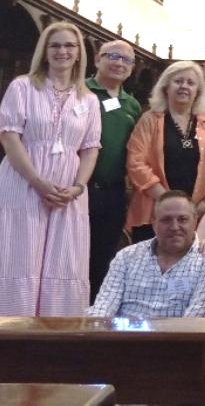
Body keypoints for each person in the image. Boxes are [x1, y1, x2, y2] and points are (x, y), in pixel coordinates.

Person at [0, 22, 100, 316]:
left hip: (68, 190)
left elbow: (91, 148)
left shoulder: (89, 99)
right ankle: (10, 330)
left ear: (79, 53)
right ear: (44, 52)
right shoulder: (23, 86)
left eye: (69, 45)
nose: (62, 51)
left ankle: (56, 335)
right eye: (55, 45)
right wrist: (37, 181)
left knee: (63, 257)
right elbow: (8, 135)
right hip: (23, 181)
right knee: (19, 254)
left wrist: (78, 187)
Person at [126, 60, 205, 242]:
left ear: (198, 91)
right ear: (165, 87)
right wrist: (167, 201)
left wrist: (201, 206)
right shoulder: (150, 119)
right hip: (154, 210)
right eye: (178, 81)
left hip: (197, 215)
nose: (184, 87)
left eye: (190, 83)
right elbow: (135, 163)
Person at [87, 190, 205, 317]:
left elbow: (197, 315)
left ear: (195, 220)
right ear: (154, 223)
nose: (174, 227)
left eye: (182, 219)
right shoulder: (126, 256)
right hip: (126, 339)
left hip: (181, 340)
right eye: (166, 220)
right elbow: (104, 306)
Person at [85, 39, 142, 300]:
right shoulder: (81, 91)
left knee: (103, 257)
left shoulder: (132, 105)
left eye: (126, 60)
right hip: (80, 188)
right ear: (98, 59)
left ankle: (94, 316)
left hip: (113, 193)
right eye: (113, 56)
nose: (119, 63)